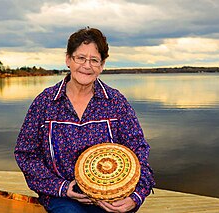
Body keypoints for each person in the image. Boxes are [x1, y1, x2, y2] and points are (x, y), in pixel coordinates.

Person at [14, 27, 155, 213]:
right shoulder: (45, 102)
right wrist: (62, 188)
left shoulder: (115, 102)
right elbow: (26, 153)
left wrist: (135, 197)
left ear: (102, 65)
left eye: (94, 60)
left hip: (110, 198)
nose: (87, 66)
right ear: (68, 59)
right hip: (62, 198)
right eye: (80, 58)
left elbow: (139, 151)